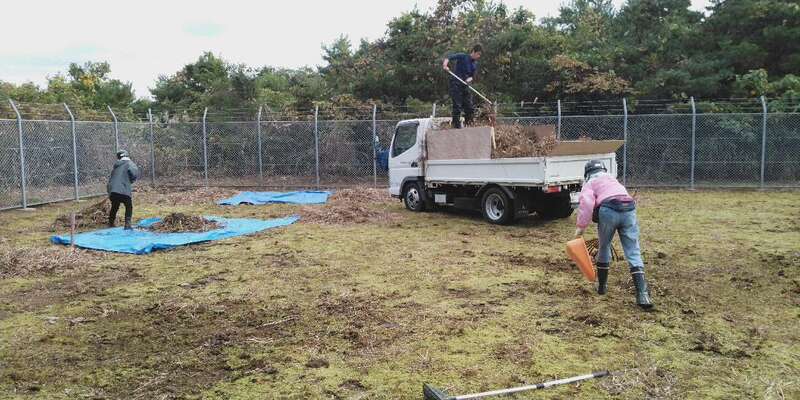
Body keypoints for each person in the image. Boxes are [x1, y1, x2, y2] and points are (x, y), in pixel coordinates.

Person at [574, 160, 653, 309]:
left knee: (604, 247)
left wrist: (581, 227)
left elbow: (587, 203)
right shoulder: (612, 179)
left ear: (587, 173)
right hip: (629, 209)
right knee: (633, 251)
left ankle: (602, 287)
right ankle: (643, 295)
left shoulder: (590, 183)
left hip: (608, 211)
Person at [442, 44, 482, 129]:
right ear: (473, 52)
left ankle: (469, 125)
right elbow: (449, 57)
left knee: (469, 106)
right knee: (457, 105)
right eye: (478, 54)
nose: (478, 56)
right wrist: (445, 65)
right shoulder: (463, 56)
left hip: (465, 85)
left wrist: (469, 79)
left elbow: (472, 76)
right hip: (456, 83)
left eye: (480, 55)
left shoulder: (474, 64)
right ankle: (456, 125)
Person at [107, 150, 140, 230]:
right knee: (129, 206)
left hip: (112, 189)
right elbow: (134, 173)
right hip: (123, 189)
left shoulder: (116, 166)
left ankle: (111, 222)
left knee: (115, 206)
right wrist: (131, 180)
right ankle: (127, 225)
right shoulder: (130, 164)